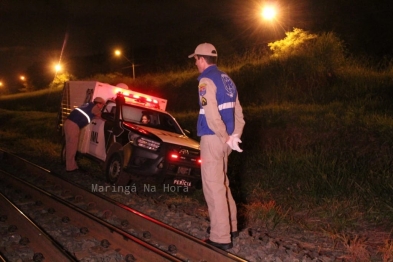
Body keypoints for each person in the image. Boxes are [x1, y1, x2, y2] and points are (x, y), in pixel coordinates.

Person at [188, 43, 245, 250]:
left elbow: (212, 116)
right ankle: (231, 226)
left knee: (213, 187)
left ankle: (221, 237)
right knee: (223, 183)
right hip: (226, 141)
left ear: (202, 59)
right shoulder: (227, 79)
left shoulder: (205, 81)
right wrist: (233, 138)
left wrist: (223, 136)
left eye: (195, 59)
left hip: (214, 138)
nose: (195, 63)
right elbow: (239, 114)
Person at [64, 97, 105, 172]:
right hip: (74, 125)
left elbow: (92, 115)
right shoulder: (95, 107)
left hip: (68, 122)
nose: (103, 106)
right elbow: (101, 116)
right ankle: (70, 167)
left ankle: (66, 162)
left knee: (69, 144)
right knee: (72, 146)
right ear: (98, 104)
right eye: (102, 104)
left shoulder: (89, 105)